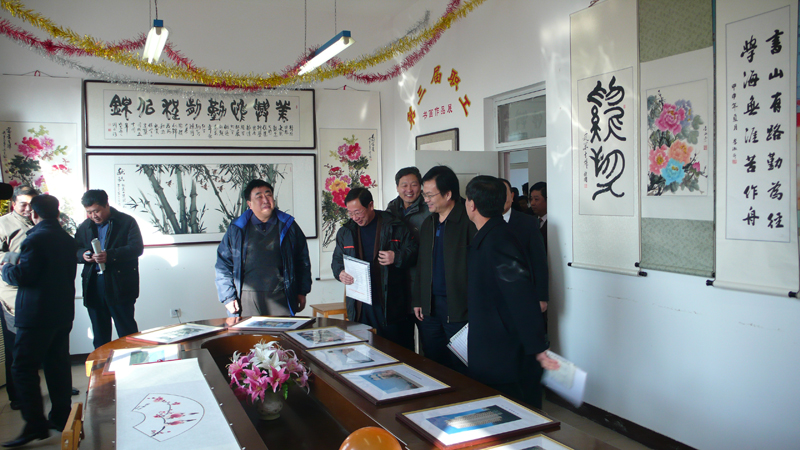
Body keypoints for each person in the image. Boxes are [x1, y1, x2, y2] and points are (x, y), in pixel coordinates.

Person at [464, 176, 557, 408]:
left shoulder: (499, 240)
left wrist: (537, 348)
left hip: (503, 349)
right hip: (493, 344)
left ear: (472, 204)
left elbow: (521, 296)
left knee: (513, 410)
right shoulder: (488, 235)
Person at [1, 195, 77, 447]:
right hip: (62, 312)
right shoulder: (67, 239)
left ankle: (35, 424)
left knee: (22, 368)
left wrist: (5, 268)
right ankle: (61, 417)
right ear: (56, 212)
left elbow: (24, 276)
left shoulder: (34, 238)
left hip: (35, 315)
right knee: (58, 366)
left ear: (34, 214)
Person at [332, 188, 417, 350]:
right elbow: (337, 260)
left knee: (395, 350)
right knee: (363, 349)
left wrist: (396, 257)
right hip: (360, 303)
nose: (355, 218)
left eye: (358, 212)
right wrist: (340, 273)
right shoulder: (346, 231)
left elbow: (414, 252)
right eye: (350, 213)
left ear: (370, 205)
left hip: (390, 302)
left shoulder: (394, 225)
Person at [216, 179, 311, 317]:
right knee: (246, 332)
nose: (265, 200)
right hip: (246, 298)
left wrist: (302, 291)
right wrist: (228, 297)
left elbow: (302, 261)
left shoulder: (288, 226)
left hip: (281, 296)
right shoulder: (237, 229)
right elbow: (223, 265)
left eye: (268, 195)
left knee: (284, 331)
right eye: (259, 196)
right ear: (249, 204)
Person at [413, 166, 476, 371]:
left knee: (462, 365)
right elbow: (421, 265)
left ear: (448, 194)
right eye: (424, 195)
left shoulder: (468, 222)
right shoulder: (428, 223)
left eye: (430, 195)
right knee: (433, 362)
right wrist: (419, 300)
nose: (426, 200)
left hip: (459, 308)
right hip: (430, 308)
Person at [76, 189, 143, 349]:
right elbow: (75, 249)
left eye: (96, 211)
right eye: (89, 212)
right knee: (100, 335)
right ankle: (102, 364)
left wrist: (110, 255)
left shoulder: (126, 222)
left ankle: (134, 361)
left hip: (119, 284)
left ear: (106, 205)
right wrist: (83, 255)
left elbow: (136, 248)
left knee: (127, 332)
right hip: (94, 285)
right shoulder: (85, 226)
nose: (93, 216)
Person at [0, 185, 36, 411]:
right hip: (12, 293)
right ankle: (17, 395)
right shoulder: (3, 223)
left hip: (36, 291)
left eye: (32, 204)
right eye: (23, 204)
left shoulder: (38, 221)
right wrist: (16, 257)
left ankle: (48, 388)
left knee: (40, 343)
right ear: (14, 204)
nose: (28, 209)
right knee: (16, 345)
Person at [386, 167, 431, 339]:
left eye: (414, 184)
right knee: (401, 342)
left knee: (429, 340)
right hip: (399, 284)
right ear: (397, 187)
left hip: (421, 281)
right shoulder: (392, 209)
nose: (409, 190)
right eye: (404, 185)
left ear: (420, 186)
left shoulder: (429, 209)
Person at [500, 179, 548, 315]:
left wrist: (542, 296)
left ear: (512, 196)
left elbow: (539, 261)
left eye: (504, 194)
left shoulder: (528, 222)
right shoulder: (483, 221)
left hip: (522, 292)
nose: (501, 198)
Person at [529, 181, 548, 249]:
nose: (532, 203)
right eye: (531, 199)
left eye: (536, 199)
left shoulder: (555, 221)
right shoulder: (530, 221)